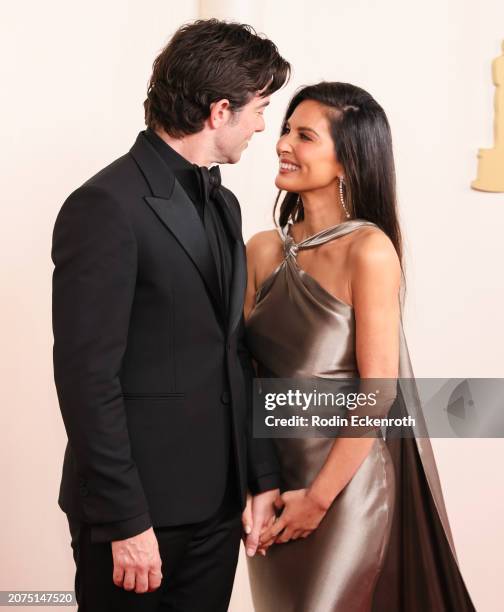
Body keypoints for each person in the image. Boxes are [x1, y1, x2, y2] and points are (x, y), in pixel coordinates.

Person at [52, 19, 290, 611]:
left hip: (217, 507)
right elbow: (86, 381)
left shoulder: (225, 203)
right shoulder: (104, 206)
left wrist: (259, 477)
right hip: (138, 515)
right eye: (259, 108)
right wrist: (125, 521)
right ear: (219, 111)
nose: (263, 125)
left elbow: (236, 351)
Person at [244, 82, 476, 611]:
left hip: (343, 490)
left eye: (304, 136)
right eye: (284, 129)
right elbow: (243, 380)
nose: (283, 144)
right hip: (273, 491)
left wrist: (319, 499)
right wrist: (254, 487)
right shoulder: (260, 251)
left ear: (347, 160)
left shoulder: (369, 251)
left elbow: (377, 392)